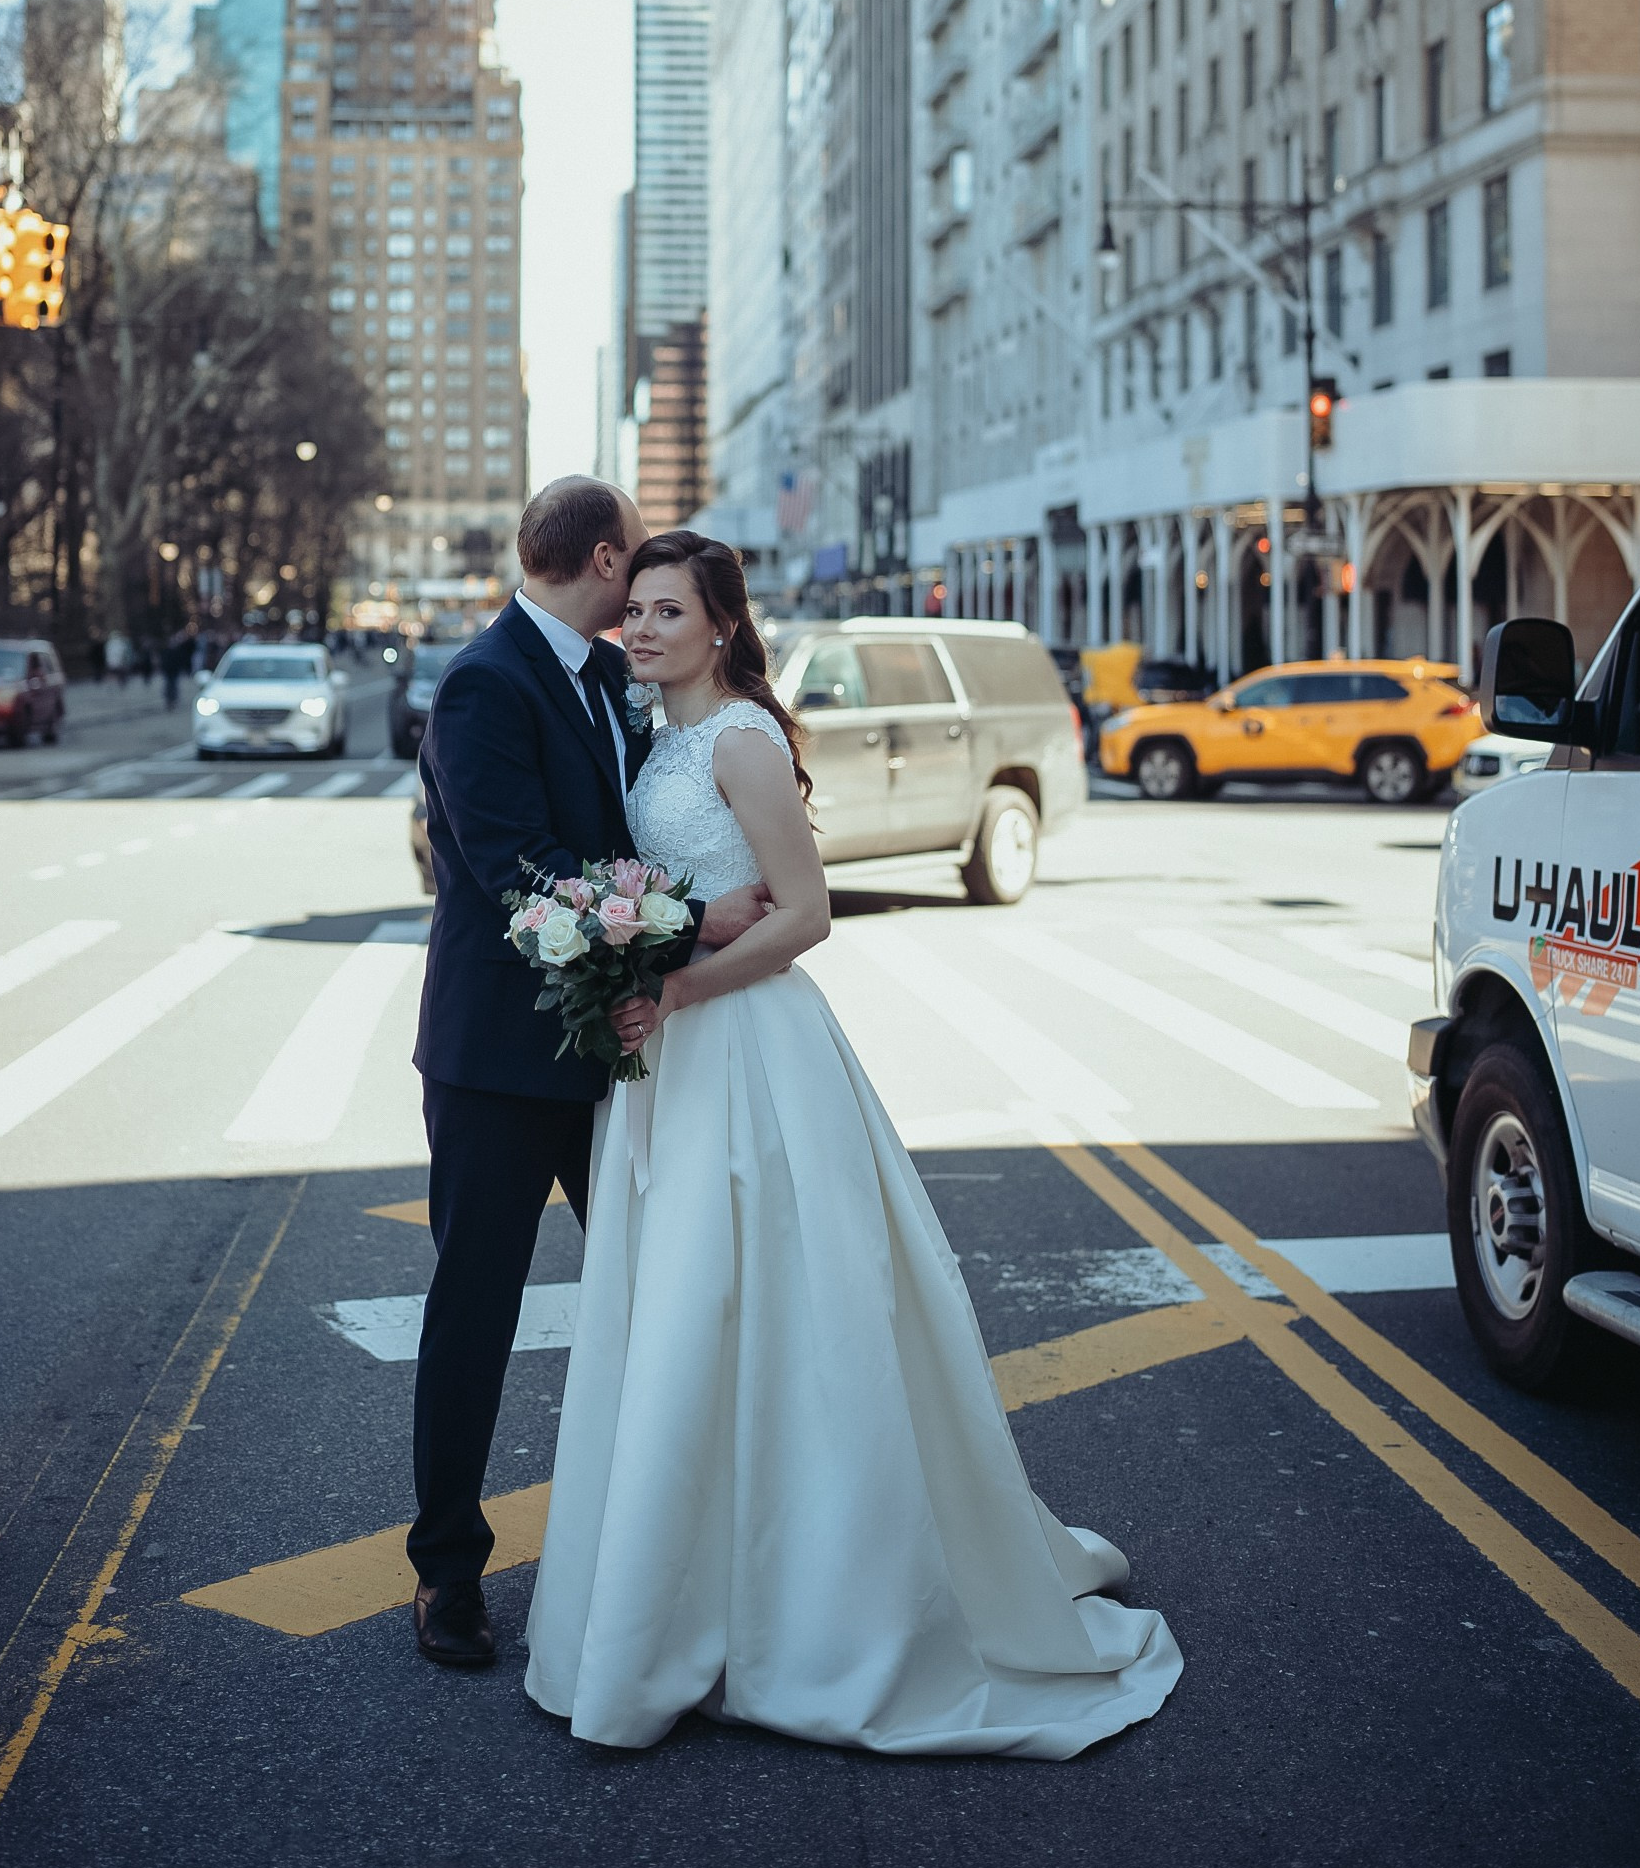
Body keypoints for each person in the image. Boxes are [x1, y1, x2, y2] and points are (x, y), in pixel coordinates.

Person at [522, 529, 1182, 1759]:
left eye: (668, 613)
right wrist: (639, 956)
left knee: (777, 1313)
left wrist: (676, 989)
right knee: (678, 1318)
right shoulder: (655, 736)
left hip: (747, 1051)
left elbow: (810, 915)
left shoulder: (740, 741)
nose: (643, 630)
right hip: (667, 1057)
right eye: (637, 613)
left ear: (721, 628)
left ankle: (815, 1608)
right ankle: (685, 1594)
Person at [406, 477, 769, 1672]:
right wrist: (693, 925)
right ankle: (446, 1570)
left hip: (617, 1048)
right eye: (639, 581)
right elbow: (527, 876)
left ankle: (673, 1546)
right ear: (604, 560)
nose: (646, 606)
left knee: (656, 1291)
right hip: (500, 1063)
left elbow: (624, 832)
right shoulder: (483, 683)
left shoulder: (613, 685)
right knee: (477, 1307)